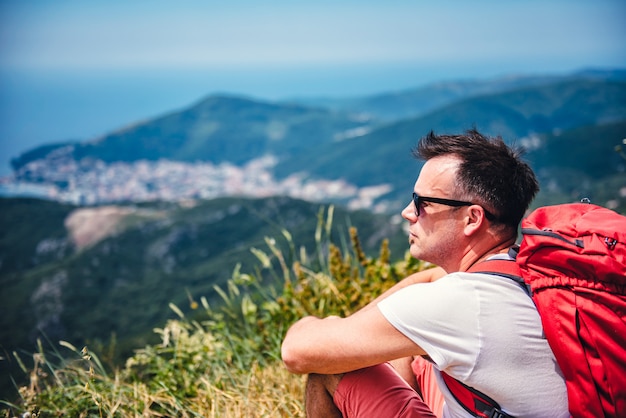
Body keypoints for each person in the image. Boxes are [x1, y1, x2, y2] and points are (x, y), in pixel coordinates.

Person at [281, 129, 569, 417]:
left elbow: (297, 353)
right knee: (409, 353)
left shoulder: (461, 303)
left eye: (424, 203)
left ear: (472, 219)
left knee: (330, 369)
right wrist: (359, 326)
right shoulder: (525, 270)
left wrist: (328, 324)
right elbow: (433, 278)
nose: (408, 212)